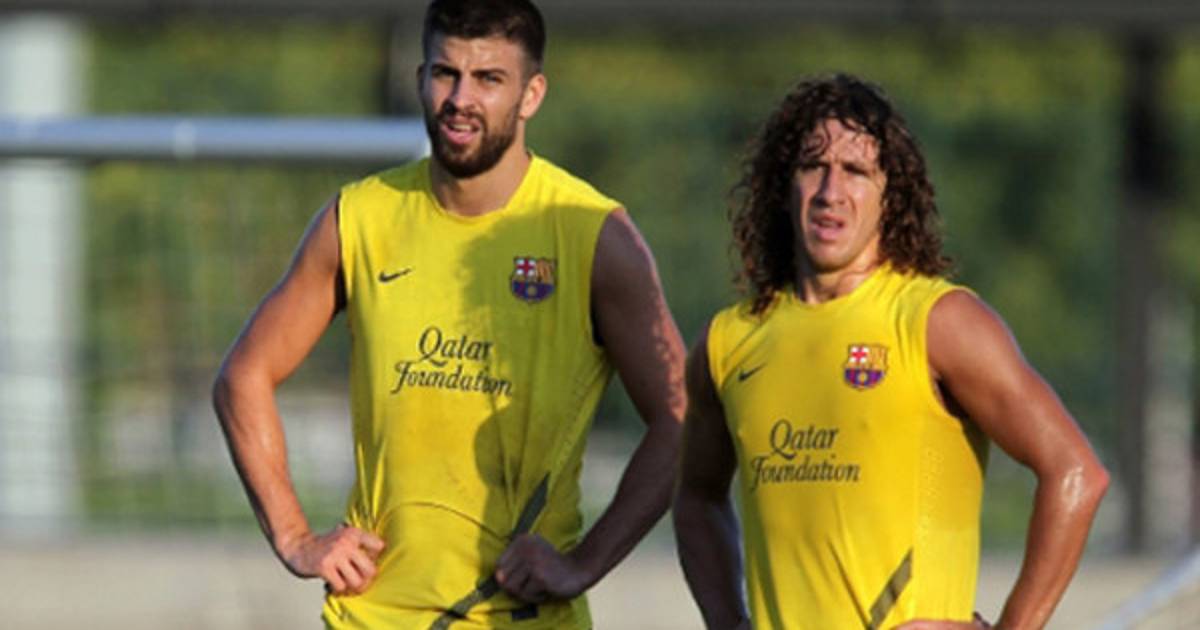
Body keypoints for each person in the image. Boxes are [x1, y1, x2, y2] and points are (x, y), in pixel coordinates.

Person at [212, 1, 685, 627]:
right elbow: (243, 377)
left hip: (523, 618)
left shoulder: (591, 233)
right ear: (420, 79)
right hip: (371, 617)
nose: (461, 99)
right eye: (445, 73)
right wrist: (296, 537)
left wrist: (583, 563)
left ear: (531, 94)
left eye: (489, 79)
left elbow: (682, 419)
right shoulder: (360, 218)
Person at [673, 74, 1110, 630]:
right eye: (813, 166)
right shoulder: (727, 343)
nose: (831, 192)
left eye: (856, 171)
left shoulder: (939, 322)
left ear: (890, 194)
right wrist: (727, 621)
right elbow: (697, 498)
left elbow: (1076, 471)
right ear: (784, 185)